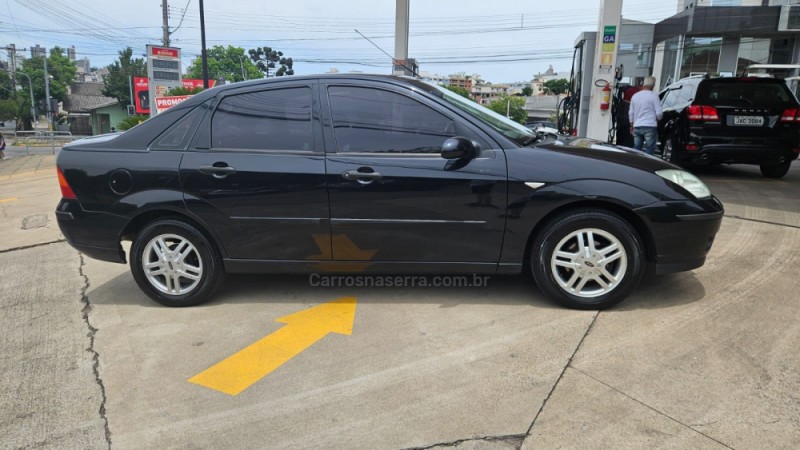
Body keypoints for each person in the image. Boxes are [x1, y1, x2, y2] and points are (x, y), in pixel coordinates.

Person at [628, 76, 663, 155]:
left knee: (636, 148)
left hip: (637, 125)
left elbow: (631, 112)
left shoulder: (635, 96)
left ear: (643, 84)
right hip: (650, 125)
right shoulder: (654, 95)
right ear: (653, 86)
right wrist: (658, 119)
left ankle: (636, 164)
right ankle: (647, 165)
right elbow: (659, 113)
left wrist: (631, 125)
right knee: (650, 148)